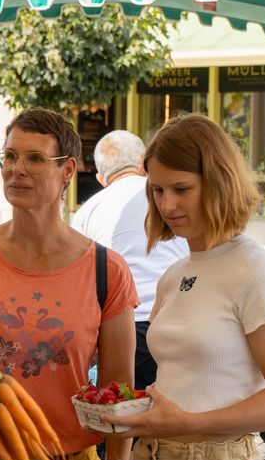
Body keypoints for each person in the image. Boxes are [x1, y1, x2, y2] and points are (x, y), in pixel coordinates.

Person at [99, 114, 265, 460]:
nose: (167, 204)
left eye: (181, 189)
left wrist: (190, 424)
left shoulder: (255, 271)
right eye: (157, 190)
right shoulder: (174, 274)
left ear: (218, 182)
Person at [0, 108, 139, 460]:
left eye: (34, 159)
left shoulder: (107, 270)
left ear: (67, 169)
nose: (17, 169)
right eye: (11, 157)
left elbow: (118, 391)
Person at [71, 130, 188, 390]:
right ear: (144, 162)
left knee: (127, 415)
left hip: (122, 329)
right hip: (177, 319)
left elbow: (78, 277)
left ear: (101, 179)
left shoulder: (88, 211)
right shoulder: (170, 199)